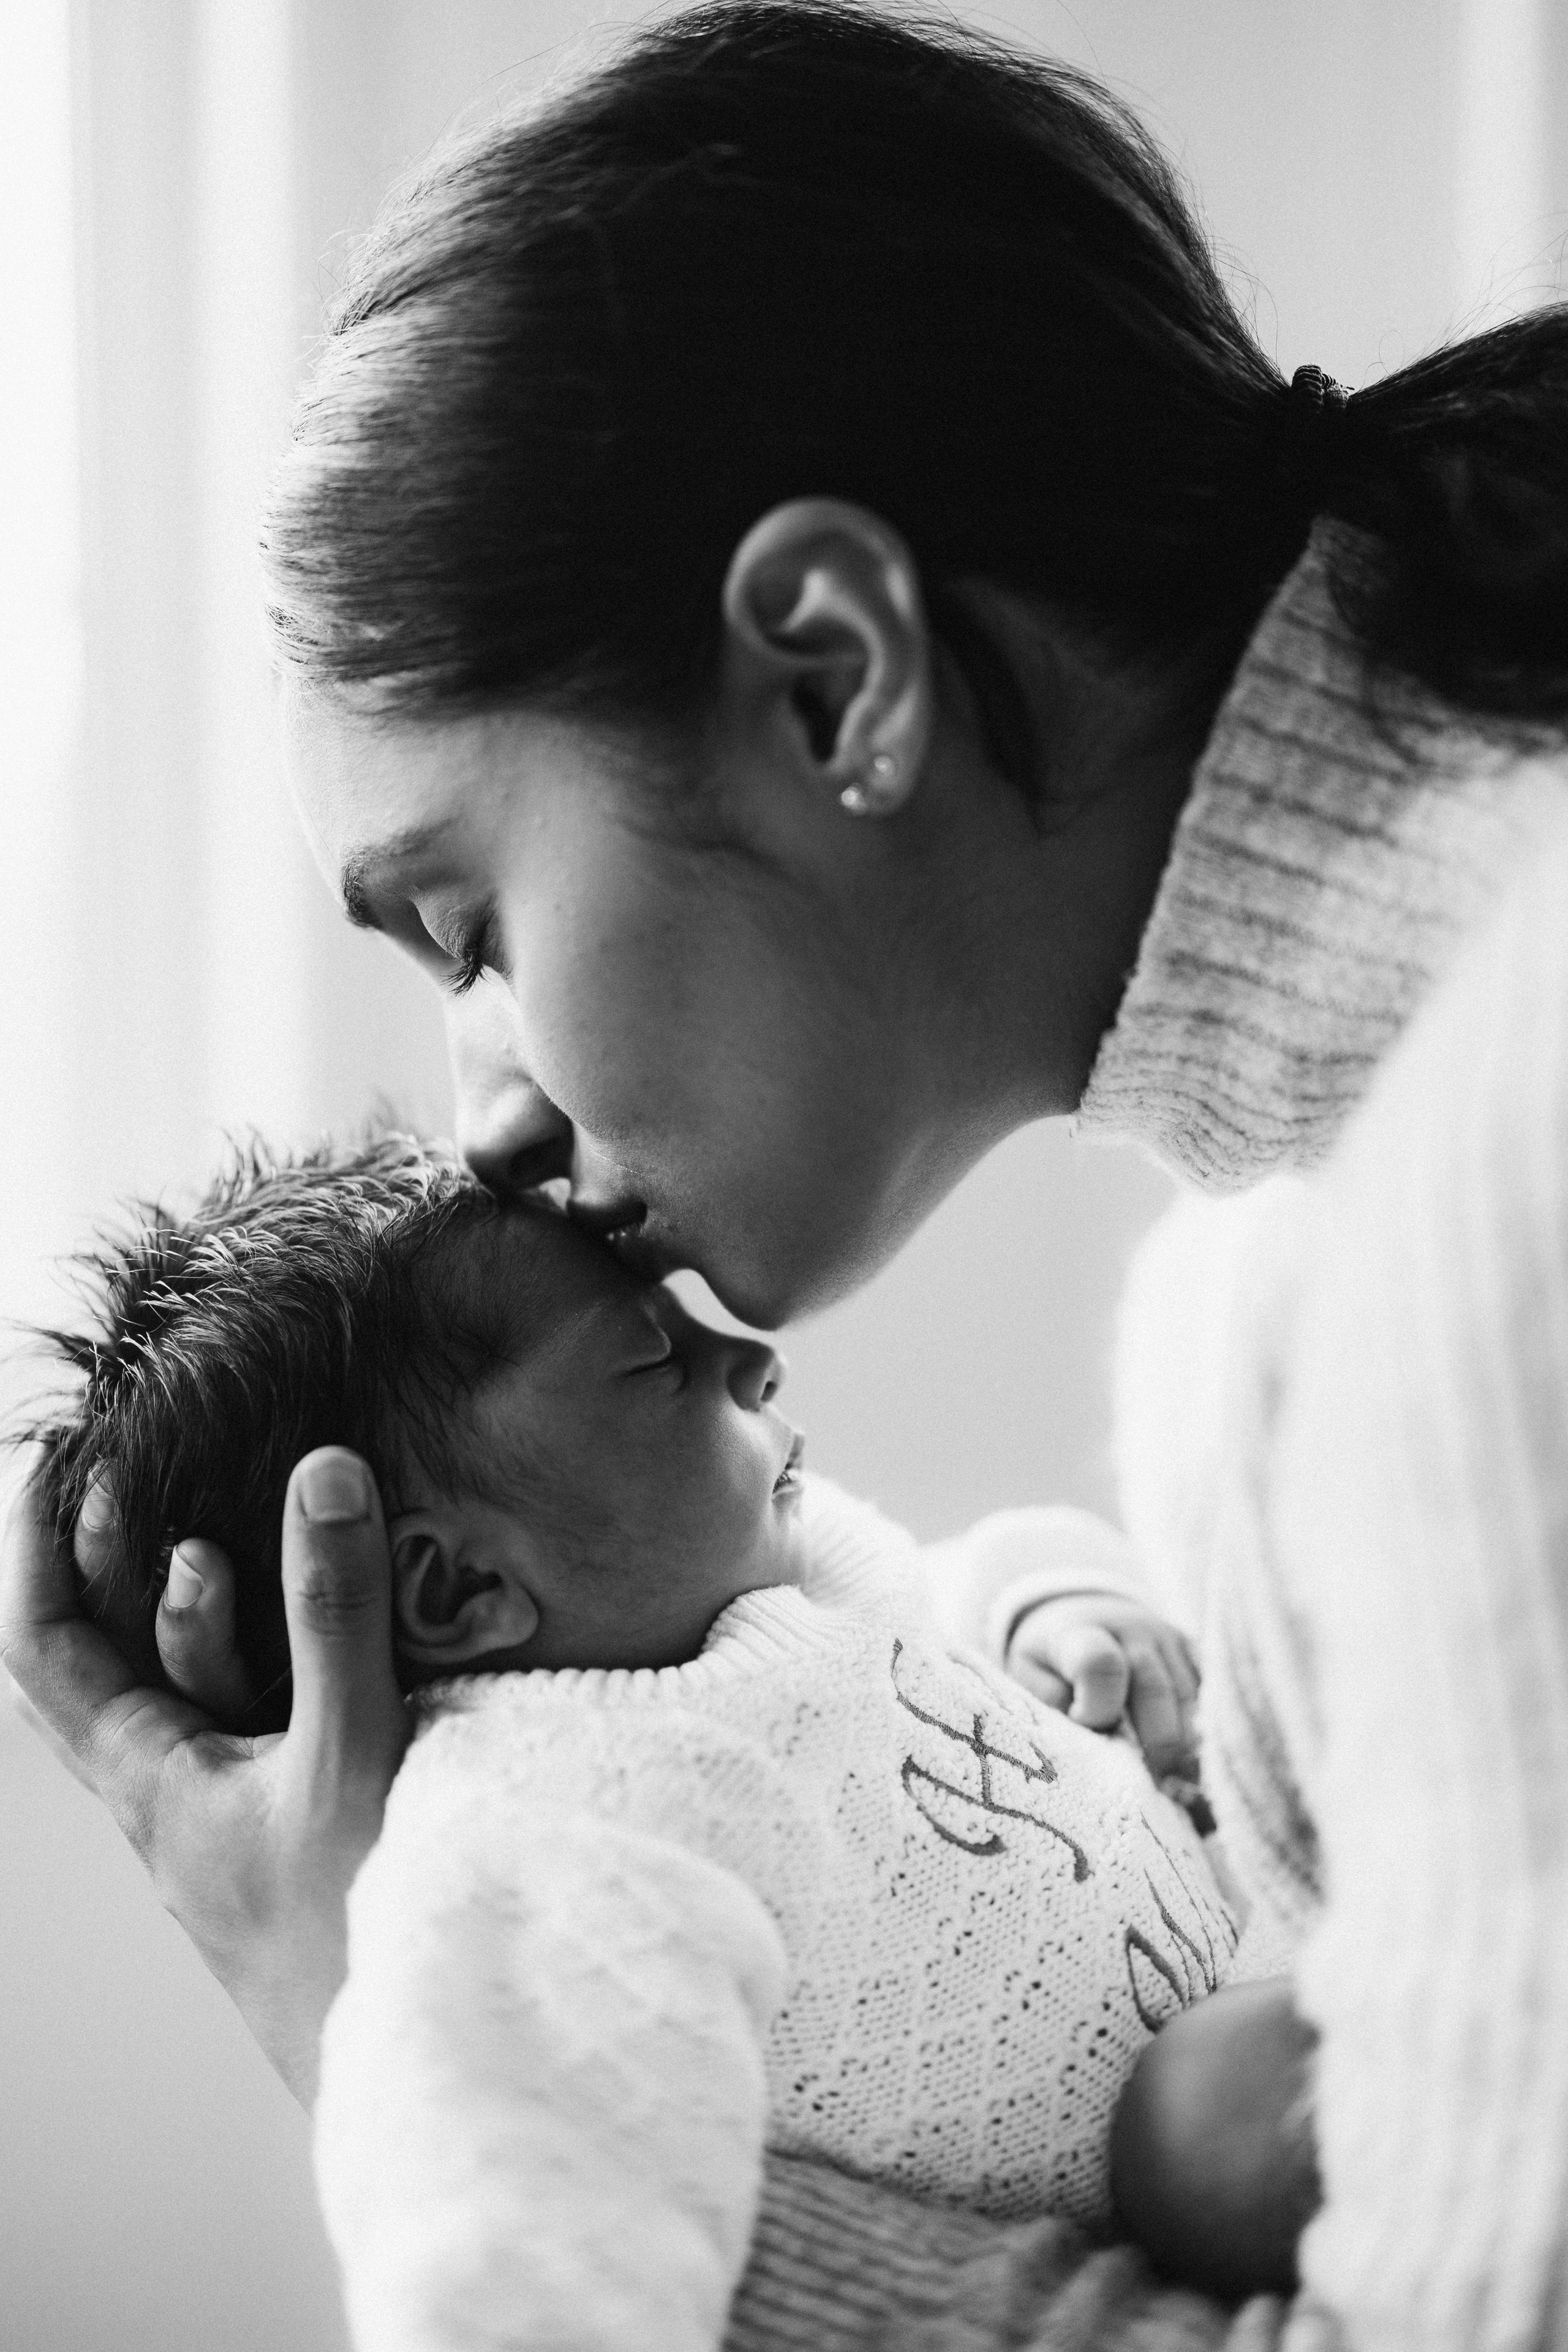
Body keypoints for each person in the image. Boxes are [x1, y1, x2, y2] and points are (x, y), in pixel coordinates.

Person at [4, 1, 1566, 2342]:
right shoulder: (1314, 1207)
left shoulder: (1472, 1195)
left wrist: (387, 2053)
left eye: (474, 929)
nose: (485, 1114)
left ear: (834, 673)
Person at [34, 1129, 1294, 2352]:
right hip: (1191, 2191)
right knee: (1201, 2121)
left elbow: (951, 1585)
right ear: (455, 1591)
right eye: (652, 1363)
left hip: (1257, 1930)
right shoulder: (543, 1830)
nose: (750, 1359)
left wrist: (1057, 1603)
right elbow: (508, 2227)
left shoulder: (767, 1584)